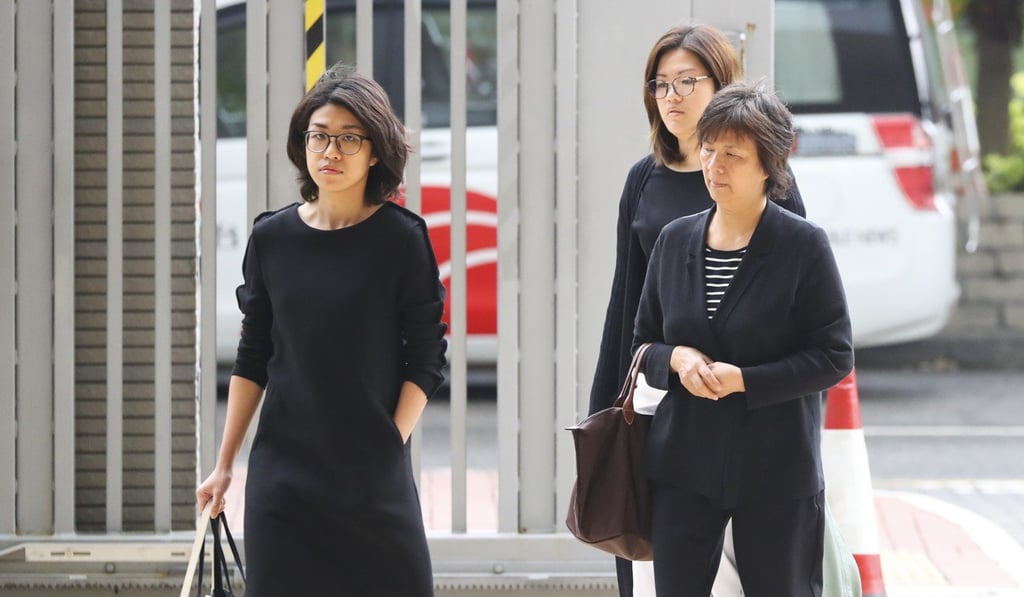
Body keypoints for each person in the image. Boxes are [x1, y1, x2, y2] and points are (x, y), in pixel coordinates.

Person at [196, 63, 447, 596]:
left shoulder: (402, 240)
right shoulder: (272, 237)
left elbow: (426, 357)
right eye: (319, 137)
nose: (330, 152)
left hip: (373, 478)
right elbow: (253, 353)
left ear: (376, 150)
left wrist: (387, 444)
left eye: (348, 139)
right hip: (284, 482)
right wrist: (223, 467)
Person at [588, 24, 806, 596]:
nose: (672, 96)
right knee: (660, 569)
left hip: (750, 414)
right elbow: (626, 300)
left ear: (722, 87)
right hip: (662, 392)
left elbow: (805, 314)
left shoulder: (768, 183)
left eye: (688, 81)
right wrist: (609, 399)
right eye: (660, 84)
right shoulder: (644, 179)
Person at [633, 81, 854, 596]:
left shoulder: (803, 246)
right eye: (709, 150)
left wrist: (747, 382)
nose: (715, 166)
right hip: (684, 461)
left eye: (733, 154)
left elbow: (834, 354)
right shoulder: (674, 240)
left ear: (768, 166)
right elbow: (643, 343)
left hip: (777, 465)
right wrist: (677, 359)